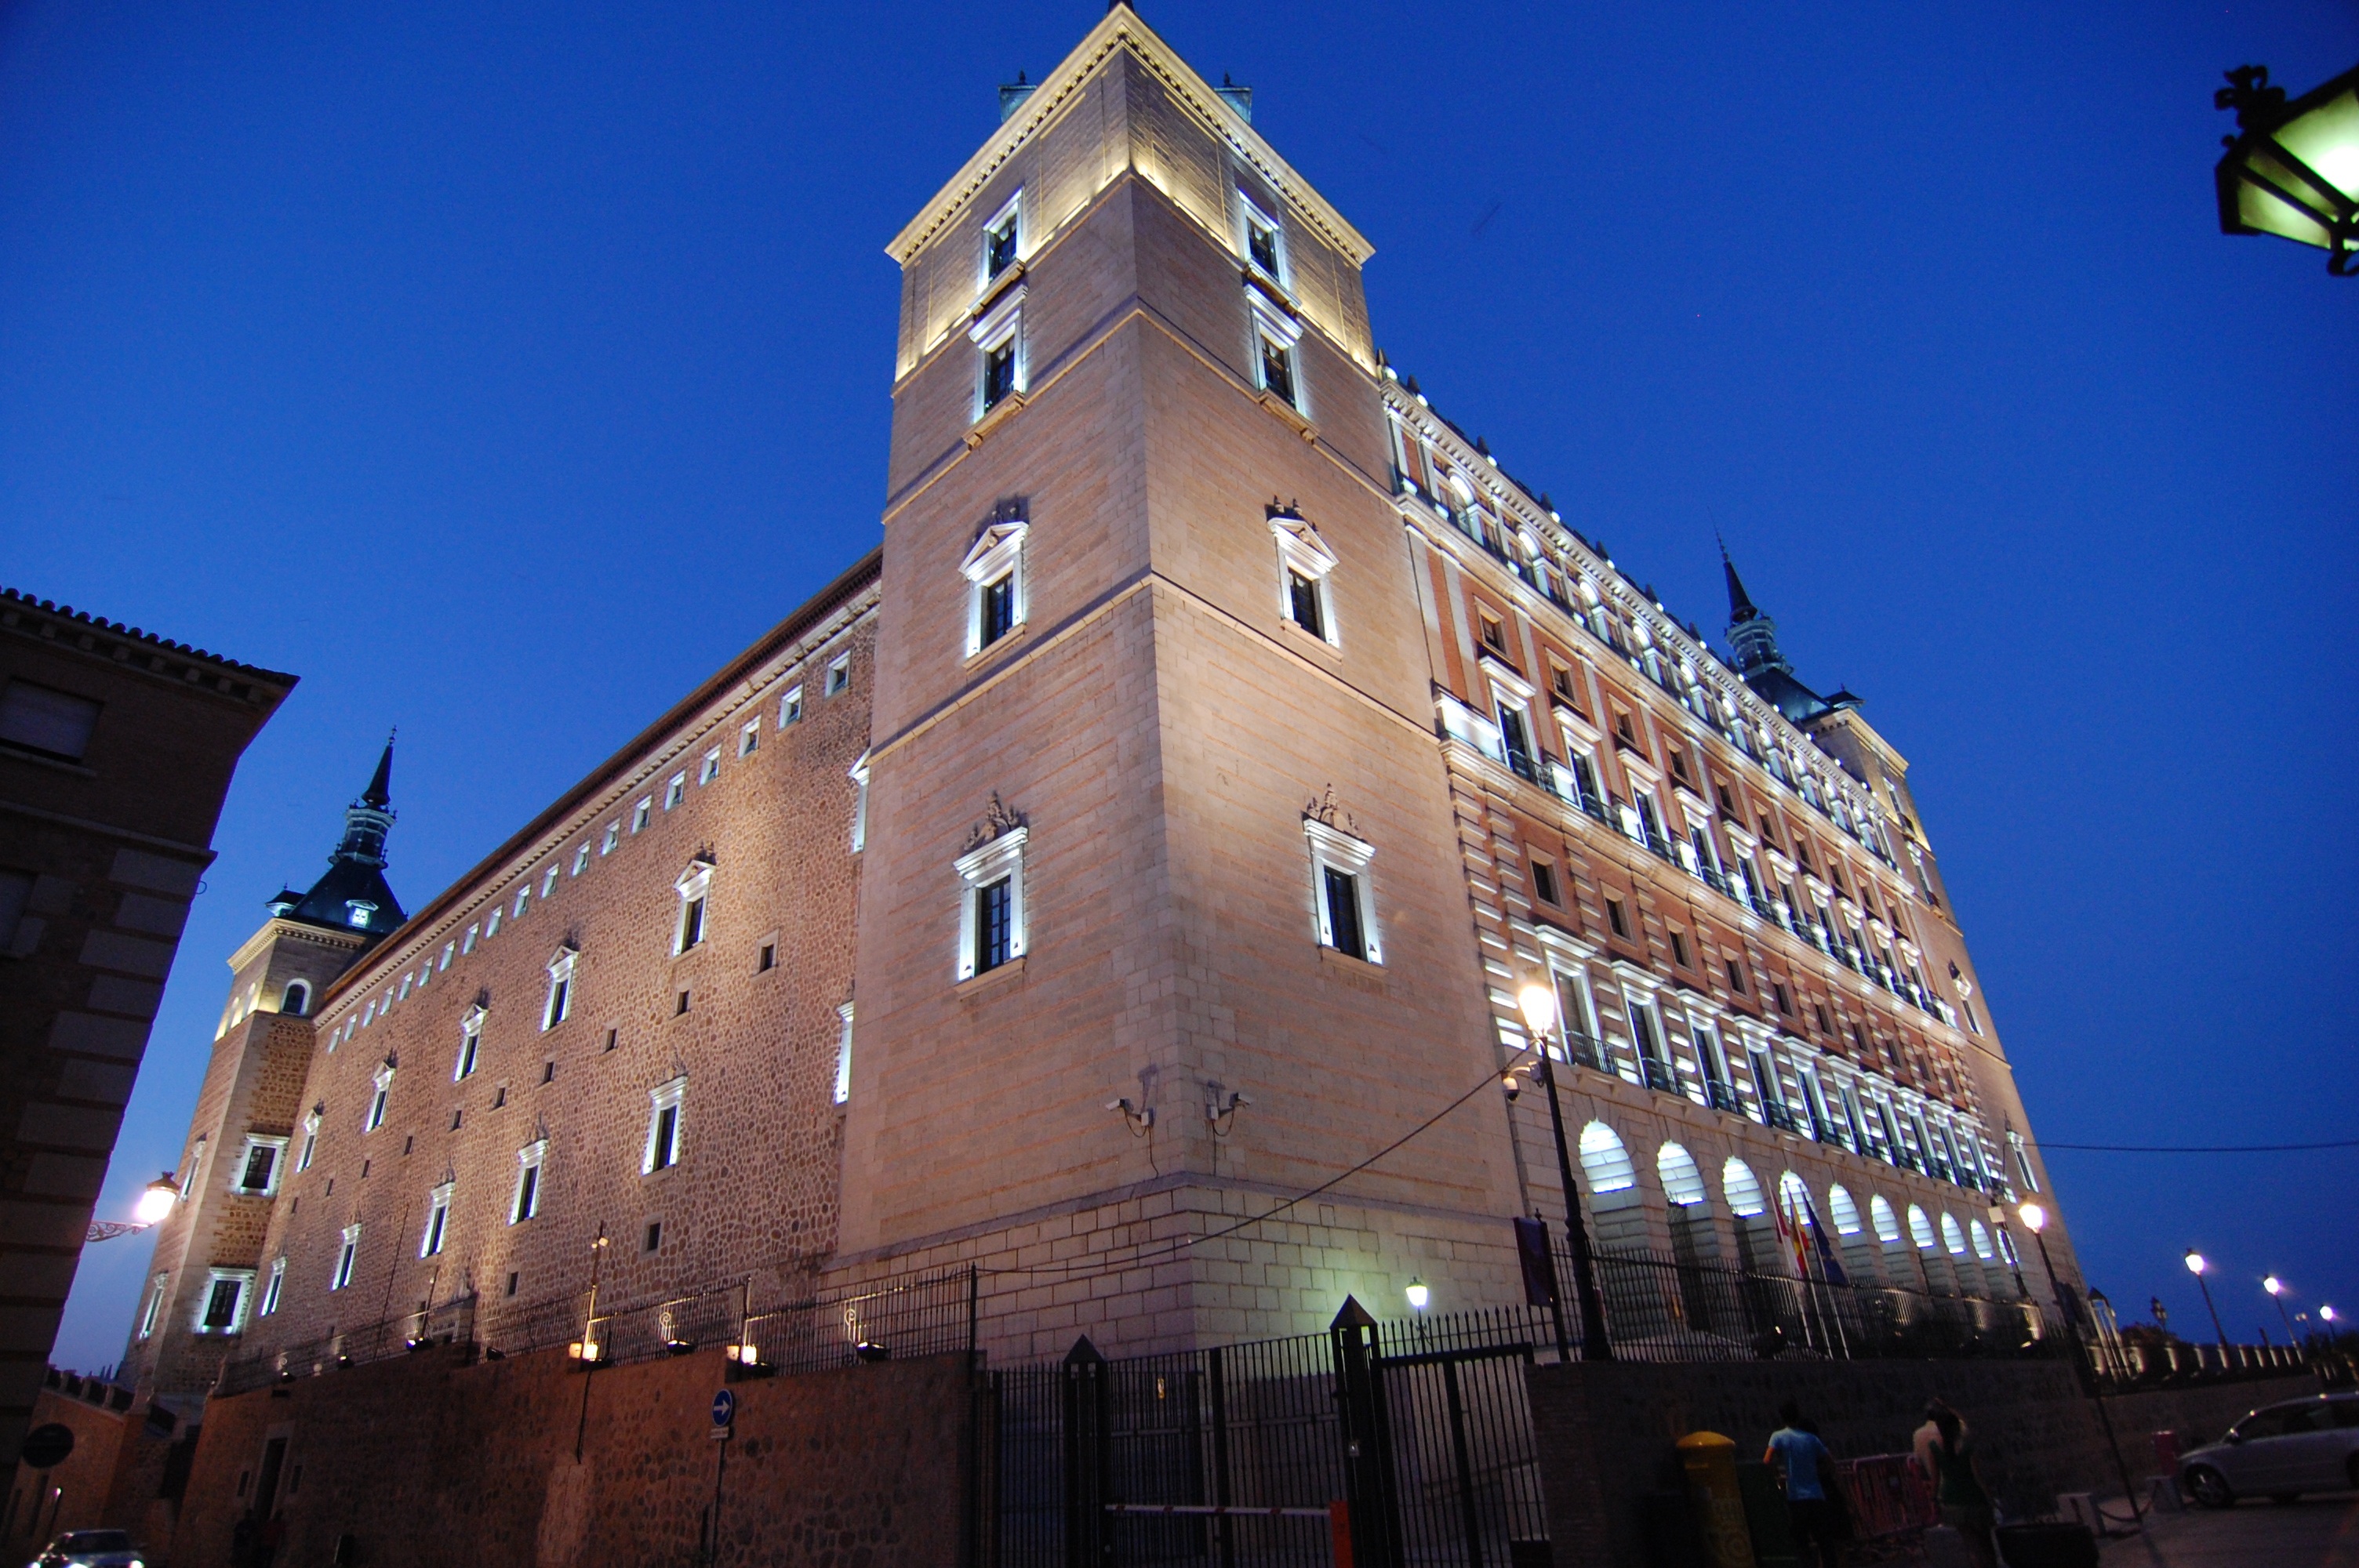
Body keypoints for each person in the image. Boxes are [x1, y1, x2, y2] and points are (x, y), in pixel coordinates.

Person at [1913, 1398, 1997, 1568]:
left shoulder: (1933, 1449)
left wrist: (1933, 1498)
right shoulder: (1966, 1447)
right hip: (1975, 1499)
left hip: (1951, 1500)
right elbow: (1978, 1477)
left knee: (1972, 1547)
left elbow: (1934, 1479)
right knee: (1987, 1545)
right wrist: (1990, 1498)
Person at [1766, 1399, 1841, 1567]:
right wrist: (1823, 1473)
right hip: (1816, 1495)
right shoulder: (1811, 1438)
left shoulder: (1778, 1437)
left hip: (1796, 1497)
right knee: (1824, 1540)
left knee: (1801, 1542)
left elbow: (1767, 1460)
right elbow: (1830, 1461)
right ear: (1798, 1417)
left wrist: (1777, 1476)